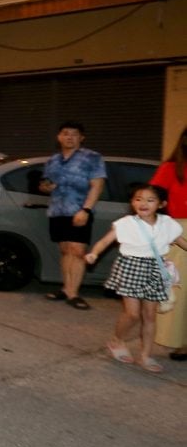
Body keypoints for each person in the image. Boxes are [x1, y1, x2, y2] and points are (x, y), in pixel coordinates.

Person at [85, 184, 187, 373]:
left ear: (161, 204)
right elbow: (105, 241)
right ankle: (117, 340)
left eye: (150, 200)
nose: (143, 203)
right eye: (138, 199)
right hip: (131, 267)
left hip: (155, 268)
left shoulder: (167, 224)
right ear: (132, 203)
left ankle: (146, 356)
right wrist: (94, 253)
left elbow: (181, 242)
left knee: (149, 316)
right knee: (132, 314)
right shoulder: (126, 223)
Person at [38, 122, 105, 310]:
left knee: (77, 250)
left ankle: (74, 293)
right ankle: (66, 289)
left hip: (79, 210)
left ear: (81, 138)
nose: (69, 137)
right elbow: (45, 184)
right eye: (65, 133)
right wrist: (45, 187)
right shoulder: (53, 160)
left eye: (74, 134)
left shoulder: (92, 158)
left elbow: (97, 185)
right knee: (66, 250)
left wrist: (86, 210)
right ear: (59, 137)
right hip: (57, 211)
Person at [151, 125, 187, 360]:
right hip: (179, 231)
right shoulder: (170, 168)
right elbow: (152, 199)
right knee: (180, 290)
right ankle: (182, 342)